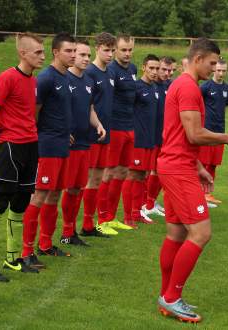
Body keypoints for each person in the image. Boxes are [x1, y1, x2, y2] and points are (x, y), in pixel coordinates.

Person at [156, 38, 228, 323]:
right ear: (198, 59)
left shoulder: (182, 85)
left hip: (176, 164)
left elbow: (178, 134)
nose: (215, 68)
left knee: (176, 234)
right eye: (212, 62)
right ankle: (171, 297)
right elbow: (194, 134)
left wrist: (199, 166)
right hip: (178, 170)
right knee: (201, 233)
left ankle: (166, 295)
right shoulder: (189, 87)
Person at [0, 33, 45, 282]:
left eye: (42, 51)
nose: (42, 55)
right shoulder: (7, 78)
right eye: (37, 52)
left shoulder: (34, 81)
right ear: (23, 53)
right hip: (11, 147)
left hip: (31, 146)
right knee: (0, 201)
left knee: (21, 203)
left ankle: (12, 258)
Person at [22, 32, 76, 263]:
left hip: (62, 145)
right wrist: (42, 135)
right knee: (38, 197)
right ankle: (26, 251)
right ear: (56, 52)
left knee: (54, 196)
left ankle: (45, 244)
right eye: (69, 51)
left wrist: (66, 133)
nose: (73, 55)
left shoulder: (66, 78)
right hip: (47, 147)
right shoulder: (46, 78)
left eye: (74, 51)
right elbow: (34, 112)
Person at [60, 39, 106, 246]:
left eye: (88, 55)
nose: (86, 59)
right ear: (72, 55)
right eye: (82, 55)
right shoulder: (64, 78)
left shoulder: (88, 80)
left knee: (78, 187)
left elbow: (89, 108)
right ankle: (66, 231)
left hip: (85, 142)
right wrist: (62, 130)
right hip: (68, 145)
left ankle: (72, 231)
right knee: (67, 188)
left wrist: (98, 124)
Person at [97, 33, 137, 233]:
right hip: (114, 127)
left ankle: (112, 217)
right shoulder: (110, 70)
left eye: (130, 50)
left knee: (123, 172)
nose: (127, 53)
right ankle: (101, 219)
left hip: (130, 127)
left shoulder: (133, 69)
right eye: (123, 50)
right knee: (108, 172)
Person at [82, 32, 117, 237]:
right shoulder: (90, 72)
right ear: (98, 49)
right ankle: (85, 224)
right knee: (88, 180)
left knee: (98, 179)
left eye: (112, 50)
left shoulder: (110, 73)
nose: (110, 54)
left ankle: (90, 224)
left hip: (107, 133)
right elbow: (88, 105)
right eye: (107, 50)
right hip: (91, 134)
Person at [123, 54, 160, 227]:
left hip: (149, 140)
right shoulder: (137, 87)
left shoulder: (155, 89)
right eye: (151, 68)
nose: (154, 72)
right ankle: (127, 215)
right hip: (137, 139)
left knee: (143, 176)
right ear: (144, 67)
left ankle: (137, 212)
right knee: (133, 175)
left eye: (156, 68)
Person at [142, 56, 174, 219]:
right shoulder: (151, 86)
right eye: (164, 70)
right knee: (148, 171)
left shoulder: (169, 85)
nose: (167, 73)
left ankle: (151, 202)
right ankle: (145, 204)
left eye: (171, 71)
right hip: (150, 136)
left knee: (159, 171)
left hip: (164, 136)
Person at [198, 59, 228, 207]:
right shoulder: (205, 87)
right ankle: (199, 193)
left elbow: (225, 107)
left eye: (224, 70)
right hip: (206, 131)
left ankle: (207, 193)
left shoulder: (227, 89)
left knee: (213, 164)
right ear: (214, 70)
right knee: (203, 163)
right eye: (218, 70)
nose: (221, 73)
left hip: (220, 132)